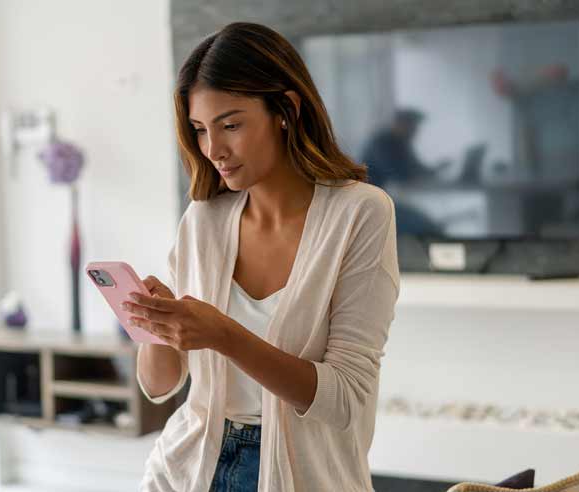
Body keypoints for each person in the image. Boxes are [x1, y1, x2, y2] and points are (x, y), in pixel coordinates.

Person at [124, 23, 399, 491]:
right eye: (200, 130)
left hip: (305, 475)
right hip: (187, 470)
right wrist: (156, 327)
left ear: (286, 110)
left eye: (231, 125)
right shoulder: (203, 219)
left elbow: (344, 399)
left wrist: (224, 334)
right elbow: (159, 385)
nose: (213, 150)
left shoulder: (360, 213)